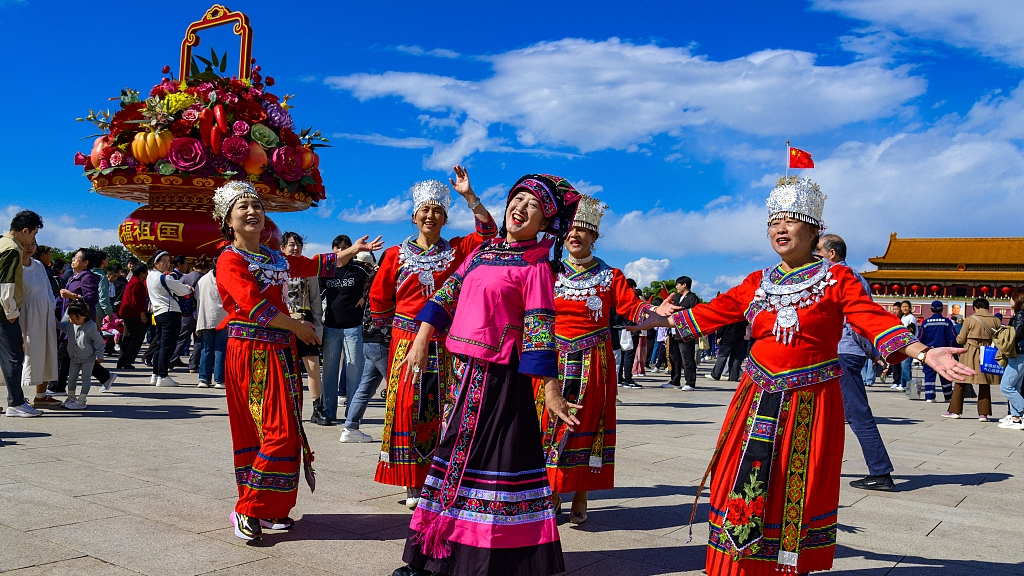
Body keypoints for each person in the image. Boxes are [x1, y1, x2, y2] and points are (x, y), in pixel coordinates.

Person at [668, 176, 973, 575]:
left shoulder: (837, 278)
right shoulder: (757, 281)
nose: (779, 228)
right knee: (740, 476)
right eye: (773, 221)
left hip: (809, 400)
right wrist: (646, 316)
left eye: (791, 220)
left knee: (799, 485)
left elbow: (870, 318)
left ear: (814, 230)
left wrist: (924, 351)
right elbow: (713, 312)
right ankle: (738, 563)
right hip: (756, 395)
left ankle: (787, 564)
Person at [394, 173, 581, 576]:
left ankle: (470, 559)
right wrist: (422, 338)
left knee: (480, 463)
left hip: (500, 380)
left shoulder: (537, 266)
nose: (521, 208)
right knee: (457, 459)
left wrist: (550, 390)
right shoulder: (483, 253)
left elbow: (539, 327)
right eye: (518, 199)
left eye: (533, 206)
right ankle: (435, 553)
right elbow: (447, 294)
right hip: (466, 374)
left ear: (545, 222)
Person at [212, 181, 382, 542]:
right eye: (242, 206)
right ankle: (247, 507)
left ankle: (271, 509)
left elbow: (315, 264)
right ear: (228, 220)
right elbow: (251, 304)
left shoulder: (276, 257)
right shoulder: (229, 258)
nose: (252, 211)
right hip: (252, 353)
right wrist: (299, 327)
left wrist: (354, 249)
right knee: (275, 433)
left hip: (281, 352)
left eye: (256, 205)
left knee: (287, 434)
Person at [534, 195, 676, 525]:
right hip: (553, 359)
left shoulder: (610, 275)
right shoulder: (548, 269)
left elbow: (630, 306)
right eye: (571, 229)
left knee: (585, 423)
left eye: (584, 230)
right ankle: (551, 490)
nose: (575, 235)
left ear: (594, 237)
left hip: (591, 362)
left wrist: (654, 313)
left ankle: (581, 491)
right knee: (548, 423)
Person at [369, 167, 497, 509]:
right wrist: (390, 336)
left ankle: (437, 477)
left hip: (445, 341)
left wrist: (469, 196)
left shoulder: (457, 250)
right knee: (407, 404)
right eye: (425, 210)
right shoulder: (395, 254)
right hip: (404, 338)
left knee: (443, 406)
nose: (431, 215)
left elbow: (489, 233)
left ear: (445, 218)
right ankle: (411, 480)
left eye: (438, 210)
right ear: (414, 217)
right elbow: (380, 298)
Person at [817, 233, 896, 492]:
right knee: (827, 413)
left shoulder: (842, 277)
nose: (815, 255)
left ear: (832, 254)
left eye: (819, 251)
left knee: (857, 414)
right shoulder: (849, 277)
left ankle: (880, 471)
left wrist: (874, 353)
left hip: (842, 353)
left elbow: (858, 321)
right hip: (839, 353)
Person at [320, 234, 373, 426]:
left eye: (344, 247)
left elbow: (376, 281)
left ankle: (352, 414)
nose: (340, 250)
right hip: (331, 327)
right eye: (337, 247)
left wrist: (364, 297)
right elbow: (315, 294)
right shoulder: (326, 271)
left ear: (352, 250)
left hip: (353, 328)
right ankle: (328, 412)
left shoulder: (359, 269)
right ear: (333, 250)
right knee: (329, 372)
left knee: (353, 371)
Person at [1, 210, 44, 417]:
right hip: (3, 312)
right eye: (33, 234)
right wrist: (11, 311)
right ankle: (16, 403)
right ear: (25, 231)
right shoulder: (11, 249)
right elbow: (6, 283)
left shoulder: (2, 243)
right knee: (14, 356)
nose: (32, 240)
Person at [343, 251, 389, 442]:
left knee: (365, 388)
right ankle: (401, 431)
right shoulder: (387, 281)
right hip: (384, 341)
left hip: (369, 342)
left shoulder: (372, 279)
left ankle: (350, 428)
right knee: (397, 388)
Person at [280, 233, 325, 413]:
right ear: (282, 248)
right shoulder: (276, 267)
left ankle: (317, 406)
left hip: (305, 318)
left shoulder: (308, 267)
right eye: (291, 245)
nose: (295, 248)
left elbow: (316, 300)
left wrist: (318, 327)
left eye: (298, 245)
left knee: (313, 365)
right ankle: (288, 406)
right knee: (285, 366)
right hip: (283, 320)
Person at [943, 298, 1002, 421]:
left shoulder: (970, 319)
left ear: (975, 307)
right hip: (986, 353)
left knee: (961, 381)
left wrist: (960, 338)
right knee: (985, 383)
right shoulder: (996, 320)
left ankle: (955, 411)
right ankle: (983, 414)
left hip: (970, 352)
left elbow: (961, 339)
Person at [20, 242, 61, 407]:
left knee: (46, 353)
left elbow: (48, 290)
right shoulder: (14, 265)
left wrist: (52, 309)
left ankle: (41, 395)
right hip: (24, 314)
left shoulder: (38, 265)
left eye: (33, 245)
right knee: (23, 355)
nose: (30, 248)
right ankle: (17, 397)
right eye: (26, 245)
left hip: (44, 313)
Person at [146, 250, 192, 387]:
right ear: (156, 263)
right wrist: (188, 288)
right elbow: (183, 290)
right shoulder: (164, 278)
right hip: (170, 312)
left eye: (168, 261)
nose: (167, 264)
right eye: (163, 261)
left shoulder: (150, 276)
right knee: (168, 345)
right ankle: (163, 375)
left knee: (160, 344)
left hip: (158, 313)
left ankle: (155, 374)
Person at [56, 301, 105, 409]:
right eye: (71, 319)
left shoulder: (91, 326)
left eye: (77, 319)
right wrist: (57, 324)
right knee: (72, 378)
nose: (74, 322)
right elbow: (63, 327)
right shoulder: (70, 324)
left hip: (88, 358)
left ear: (85, 315)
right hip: (74, 357)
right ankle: (71, 397)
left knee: (85, 378)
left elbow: (99, 342)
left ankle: (82, 400)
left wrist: (99, 354)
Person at [195, 258, 227, 388]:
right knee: (220, 349)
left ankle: (203, 379)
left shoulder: (202, 280)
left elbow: (197, 296)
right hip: (223, 318)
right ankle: (219, 379)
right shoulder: (225, 277)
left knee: (206, 349)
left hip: (205, 317)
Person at [919, 301, 958, 402]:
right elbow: (953, 338)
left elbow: (920, 338)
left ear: (931, 309)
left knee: (929, 374)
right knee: (945, 374)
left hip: (929, 353)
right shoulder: (947, 322)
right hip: (943, 353)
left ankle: (929, 397)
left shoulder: (926, 323)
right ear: (942, 309)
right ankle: (948, 396)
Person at [665, 276, 699, 390]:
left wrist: (680, 309)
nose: (676, 287)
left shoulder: (692, 298)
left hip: (685, 331)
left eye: (678, 284)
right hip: (674, 331)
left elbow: (694, 313)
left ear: (684, 285)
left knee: (687, 357)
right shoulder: (677, 297)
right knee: (674, 357)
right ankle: (675, 380)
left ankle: (690, 382)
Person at [172, 256, 205, 371]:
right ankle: (193, 365)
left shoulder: (186, 277)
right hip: (200, 313)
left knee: (181, 338)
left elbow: (175, 291)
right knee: (199, 341)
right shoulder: (206, 279)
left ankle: (171, 362)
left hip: (186, 313)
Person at [998, 290, 1024, 429]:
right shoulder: (1020, 315)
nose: (1009, 300)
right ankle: (1016, 418)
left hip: (1018, 353)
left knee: (1006, 386)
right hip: (1020, 353)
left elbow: (1016, 335)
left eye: (1011, 298)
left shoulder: (1020, 315)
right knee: (1016, 386)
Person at [117, 263, 149, 370]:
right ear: (142, 273)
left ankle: (122, 360)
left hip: (127, 313)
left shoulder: (132, 281)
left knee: (127, 337)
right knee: (138, 336)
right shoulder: (137, 283)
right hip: (132, 314)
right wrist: (142, 313)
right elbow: (136, 301)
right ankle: (126, 360)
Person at [898, 301, 918, 393]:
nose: (904, 308)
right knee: (903, 365)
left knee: (906, 365)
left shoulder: (911, 318)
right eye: (903, 307)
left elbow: (911, 331)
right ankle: (904, 383)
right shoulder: (903, 317)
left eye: (906, 307)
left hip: (909, 343)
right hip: (902, 343)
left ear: (910, 308)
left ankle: (906, 384)